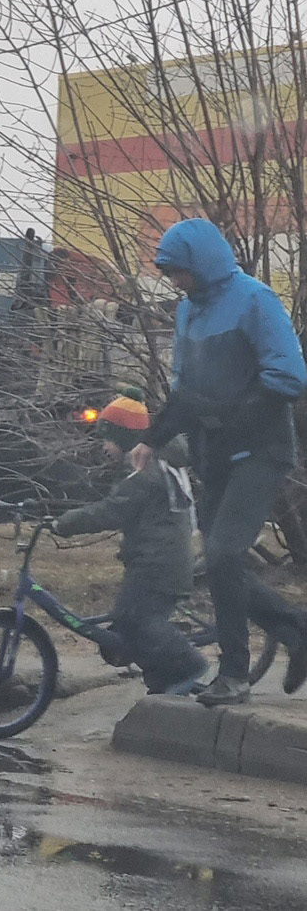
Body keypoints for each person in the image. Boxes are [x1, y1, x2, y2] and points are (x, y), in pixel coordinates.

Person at [131, 217, 307, 707]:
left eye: (179, 272)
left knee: (226, 555)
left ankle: (234, 675)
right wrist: (154, 438)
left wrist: (230, 413)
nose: (174, 281)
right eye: (168, 273)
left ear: (203, 264)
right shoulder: (188, 312)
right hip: (217, 456)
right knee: (221, 562)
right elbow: (186, 390)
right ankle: (295, 628)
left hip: (262, 451)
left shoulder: (254, 300)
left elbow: (289, 377)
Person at [52, 388, 208, 695]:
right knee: (129, 622)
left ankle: (189, 664)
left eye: (108, 438)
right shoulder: (154, 465)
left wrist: (64, 523)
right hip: (153, 560)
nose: (103, 447)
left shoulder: (148, 474)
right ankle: (162, 680)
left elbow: (111, 510)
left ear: (125, 438)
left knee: (139, 619)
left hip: (159, 564)